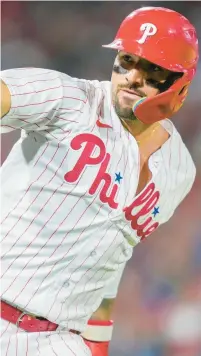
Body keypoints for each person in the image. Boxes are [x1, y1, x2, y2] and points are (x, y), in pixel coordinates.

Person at [0, 6, 199, 356]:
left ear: (181, 83)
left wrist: (97, 344)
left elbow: (112, 255)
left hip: (56, 340)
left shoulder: (178, 170)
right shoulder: (71, 100)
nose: (133, 77)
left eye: (153, 70)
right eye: (127, 60)